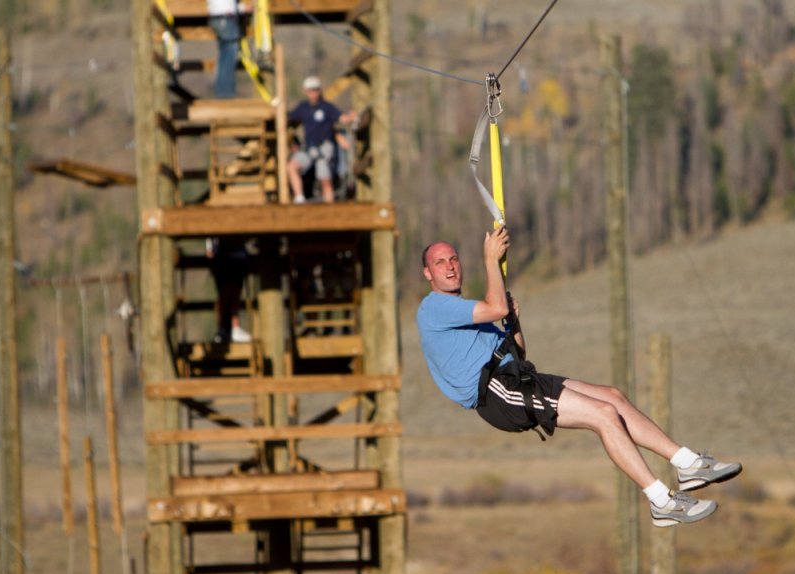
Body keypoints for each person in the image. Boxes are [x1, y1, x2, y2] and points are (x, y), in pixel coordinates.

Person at [416, 228, 743, 527]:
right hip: (498, 393)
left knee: (612, 397)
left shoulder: (470, 311)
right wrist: (491, 260)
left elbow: (518, 350)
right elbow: (496, 307)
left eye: (454, 259)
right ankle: (662, 501)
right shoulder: (435, 308)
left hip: (517, 376)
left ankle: (687, 463)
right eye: (440, 262)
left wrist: (513, 321)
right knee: (603, 416)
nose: (450, 266)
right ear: (428, 273)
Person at [287, 76, 353, 204]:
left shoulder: (327, 108)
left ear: (320, 90)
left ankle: (330, 207)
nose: (313, 93)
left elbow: (342, 118)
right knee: (292, 166)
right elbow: (289, 118)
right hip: (308, 149)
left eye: (316, 90)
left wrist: (351, 116)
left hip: (324, 150)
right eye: (310, 90)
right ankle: (299, 198)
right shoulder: (303, 107)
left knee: (325, 180)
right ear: (305, 91)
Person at [206, 236, 252, 343]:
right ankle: (226, 329)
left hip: (235, 255)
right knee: (225, 294)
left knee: (232, 293)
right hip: (225, 255)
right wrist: (209, 247)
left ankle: (230, 328)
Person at [208, 0, 244, 99]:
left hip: (220, 15)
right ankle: (225, 92)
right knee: (229, 56)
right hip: (225, 16)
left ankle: (223, 90)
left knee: (225, 55)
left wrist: (241, 7)